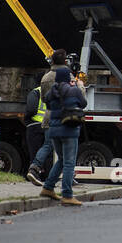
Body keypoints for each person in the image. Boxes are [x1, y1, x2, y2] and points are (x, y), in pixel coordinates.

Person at [39, 66, 86, 206]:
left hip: (54, 131)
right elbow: (83, 103)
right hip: (69, 130)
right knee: (69, 163)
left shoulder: (51, 94)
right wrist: (80, 86)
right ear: (68, 78)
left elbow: (47, 105)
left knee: (61, 160)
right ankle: (67, 194)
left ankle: (48, 187)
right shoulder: (74, 91)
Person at [25, 49, 68, 185]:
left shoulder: (45, 79)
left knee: (48, 146)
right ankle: (64, 177)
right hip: (62, 118)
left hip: (47, 119)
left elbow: (44, 99)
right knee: (64, 151)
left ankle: (35, 169)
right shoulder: (66, 76)